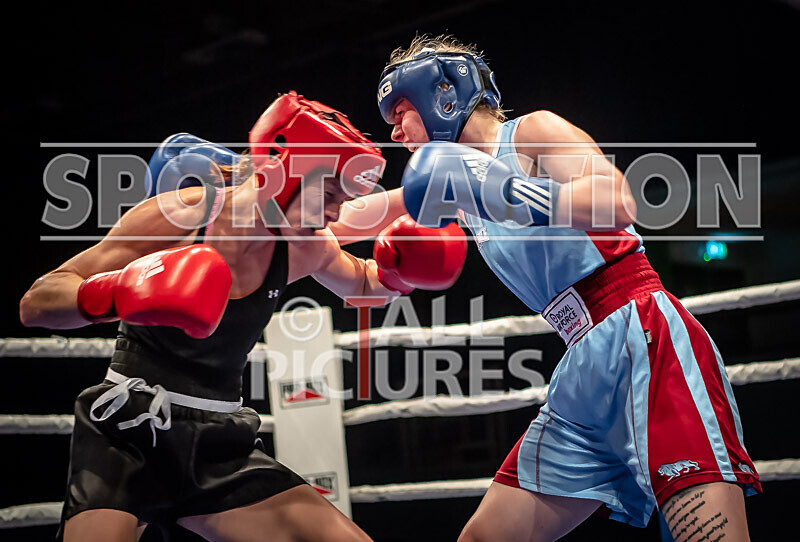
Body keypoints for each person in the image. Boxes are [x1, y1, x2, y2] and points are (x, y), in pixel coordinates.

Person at [350, 35, 761, 541]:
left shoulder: (531, 133)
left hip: (645, 340)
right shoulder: (451, 183)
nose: (394, 133)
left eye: (400, 113)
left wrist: (508, 193)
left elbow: (617, 201)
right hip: (583, 367)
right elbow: (347, 218)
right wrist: (269, 200)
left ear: (443, 96)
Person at [20, 91, 466, 542]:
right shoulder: (180, 216)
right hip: (126, 432)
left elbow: (365, 284)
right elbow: (37, 302)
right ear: (281, 170)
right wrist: (119, 291)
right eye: (330, 194)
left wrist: (401, 271)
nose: (335, 211)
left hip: (218, 444)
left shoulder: (305, 245)